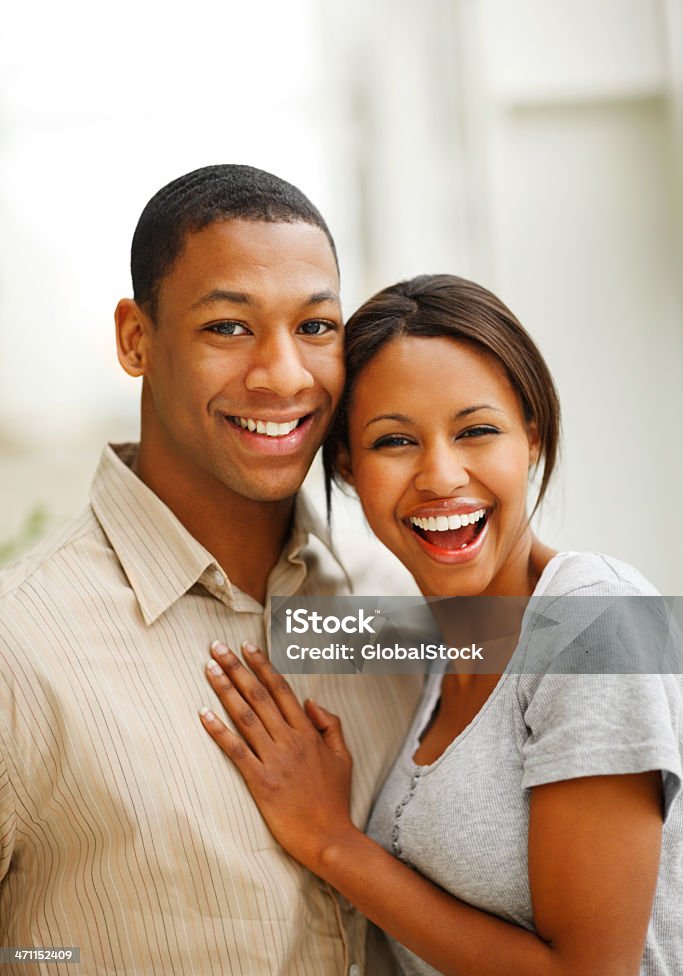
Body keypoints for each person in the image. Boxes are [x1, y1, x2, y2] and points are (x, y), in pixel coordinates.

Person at [0, 165, 421, 975]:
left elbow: (606, 644)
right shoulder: (21, 648)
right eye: (228, 327)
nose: (283, 375)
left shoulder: (392, 605)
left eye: (315, 327)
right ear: (136, 339)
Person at [199, 274, 682, 976]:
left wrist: (332, 842)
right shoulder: (441, 640)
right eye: (394, 441)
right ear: (347, 467)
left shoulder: (592, 617)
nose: (440, 476)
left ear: (531, 440)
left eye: (476, 431)